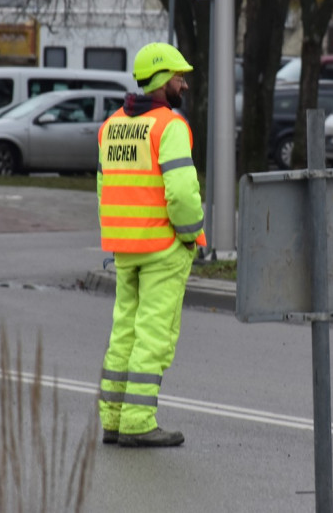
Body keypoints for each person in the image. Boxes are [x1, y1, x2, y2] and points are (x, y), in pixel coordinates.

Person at [96, 42, 206, 448]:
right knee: (153, 335)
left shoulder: (111, 126)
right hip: (163, 247)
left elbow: (104, 188)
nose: (184, 84)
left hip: (126, 248)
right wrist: (191, 233)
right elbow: (181, 192)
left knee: (124, 331)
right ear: (161, 80)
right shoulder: (169, 127)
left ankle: (113, 418)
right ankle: (138, 423)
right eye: (179, 76)